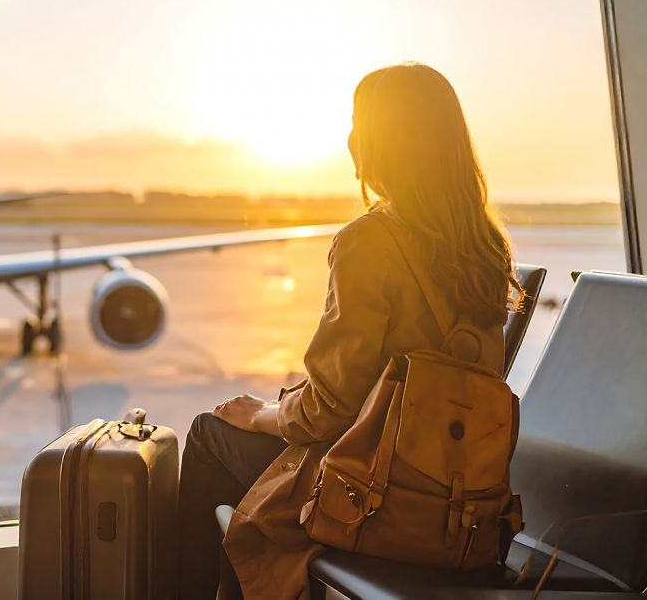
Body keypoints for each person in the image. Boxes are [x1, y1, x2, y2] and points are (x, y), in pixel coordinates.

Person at [177, 63, 524, 600]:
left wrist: (263, 414)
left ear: (380, 142)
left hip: (374, 498)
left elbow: (329, 411)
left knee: (207, 436)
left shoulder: (370, 242)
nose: (348, 138)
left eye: (357, 123)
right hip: (461, 514)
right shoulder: (487, 248)